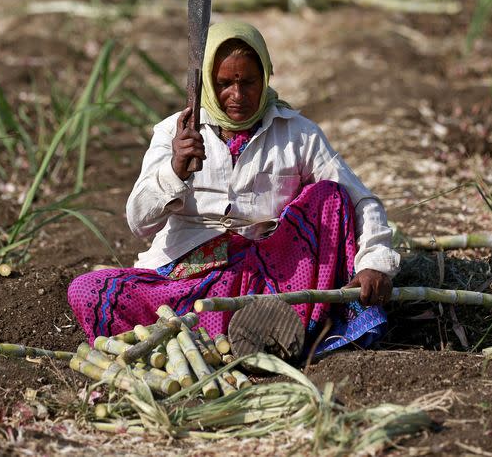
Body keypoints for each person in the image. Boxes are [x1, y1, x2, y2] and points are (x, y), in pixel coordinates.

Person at [68, 21, 400, 355]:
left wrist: (374, 261)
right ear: (208, 84)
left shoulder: (298, 133)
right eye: (224, 84)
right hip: (189, 282)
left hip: (274, 277)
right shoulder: (176, 132)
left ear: (266, 78)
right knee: (88, 290)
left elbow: (360, 201)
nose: (237, 96)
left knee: (329, 195)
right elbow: (139, 222)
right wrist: (175, 169)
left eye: (248, 83)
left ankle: (270, 327)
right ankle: (233, 333)